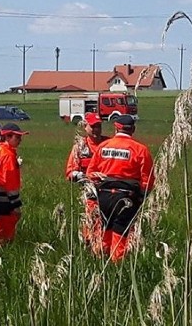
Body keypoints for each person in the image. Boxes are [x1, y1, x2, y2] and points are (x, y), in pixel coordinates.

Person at [86, 114, 154, 262]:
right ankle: (117, 264)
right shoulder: (141, 149)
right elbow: (147, 180)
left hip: (103, 195)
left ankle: (99, 260)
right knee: (121, 230)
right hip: (127, 197)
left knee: (104, 227)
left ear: (116, 128)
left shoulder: (103, 146)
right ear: (133, 129)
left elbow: (90, 173)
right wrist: (142, 197)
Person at [64, 112, 109, 246]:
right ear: (85, 127)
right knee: (92, 219)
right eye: (93, 126)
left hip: (109, 191)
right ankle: (90, 245)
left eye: (98, 126)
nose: (96, 129)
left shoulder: (109, 144)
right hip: (89, 192)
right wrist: (81, 176)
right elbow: (70, 172)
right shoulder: (80, 147)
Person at [0, 123, 28, 245]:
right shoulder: (7, 155)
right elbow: (9, 182)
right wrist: (16, 205)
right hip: (4, 199)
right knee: (6, 232)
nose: (20, 140)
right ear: (7, 137)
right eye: (17, 137)